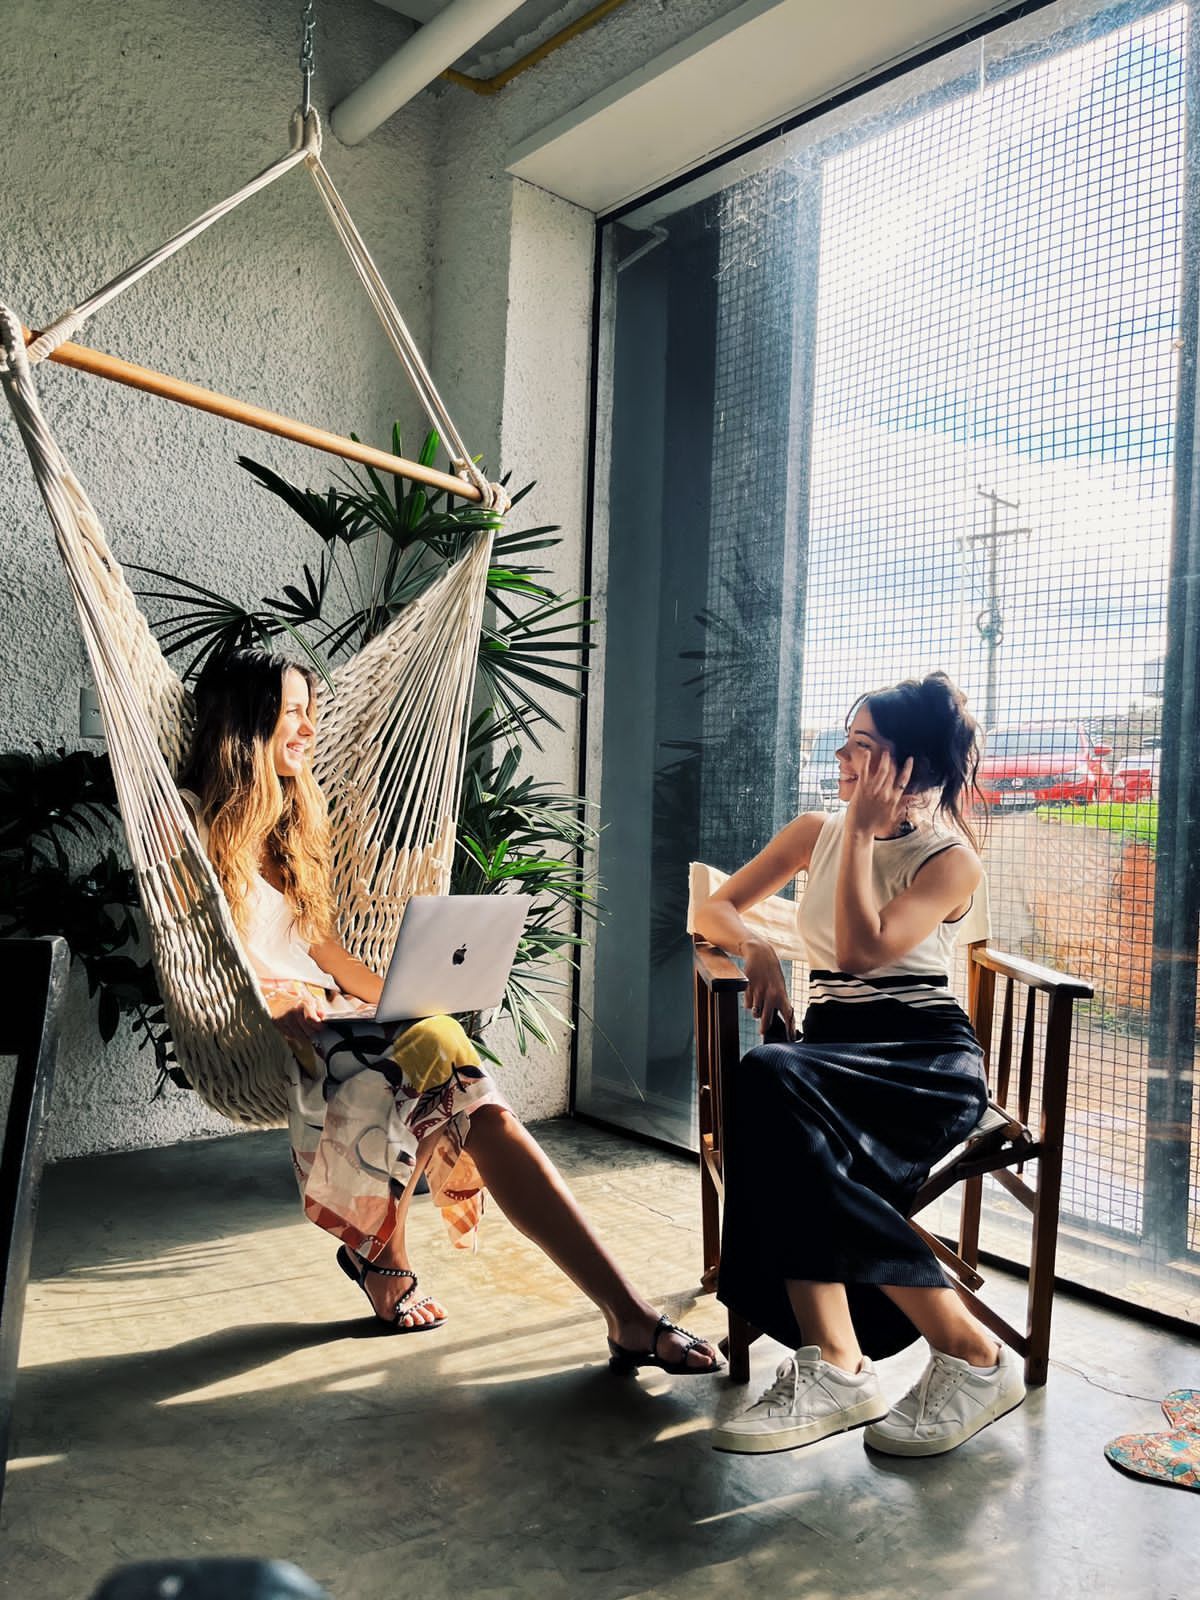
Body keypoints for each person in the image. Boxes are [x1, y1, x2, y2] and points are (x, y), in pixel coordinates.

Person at [178, 647, 720, 1377]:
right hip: (265, 1024)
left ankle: (620, 1310)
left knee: (464, 1086)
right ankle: (611, 1311)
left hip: (334, 1016)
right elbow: (204, 956)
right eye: (293, 713)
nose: (308, 728)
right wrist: (271, 1009)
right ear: (248, 725)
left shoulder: (296, 820)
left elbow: (325, 953)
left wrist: (399, 994)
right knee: (448, 1083)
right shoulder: (190, 825)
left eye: (311, 712)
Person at [693, 671, 1026, 1457]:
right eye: (846, 741)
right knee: (773, 1086)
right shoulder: (814, 830)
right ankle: (941, 1354)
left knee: (769, 1083)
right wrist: (756, 946)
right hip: (832, 1052)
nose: (841, 757)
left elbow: (858, 950)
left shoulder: (950, 859)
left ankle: (852, 1362)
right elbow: (712, 907)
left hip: (921, 1061)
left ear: (910, 767)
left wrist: (862, 833)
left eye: (864, 747)